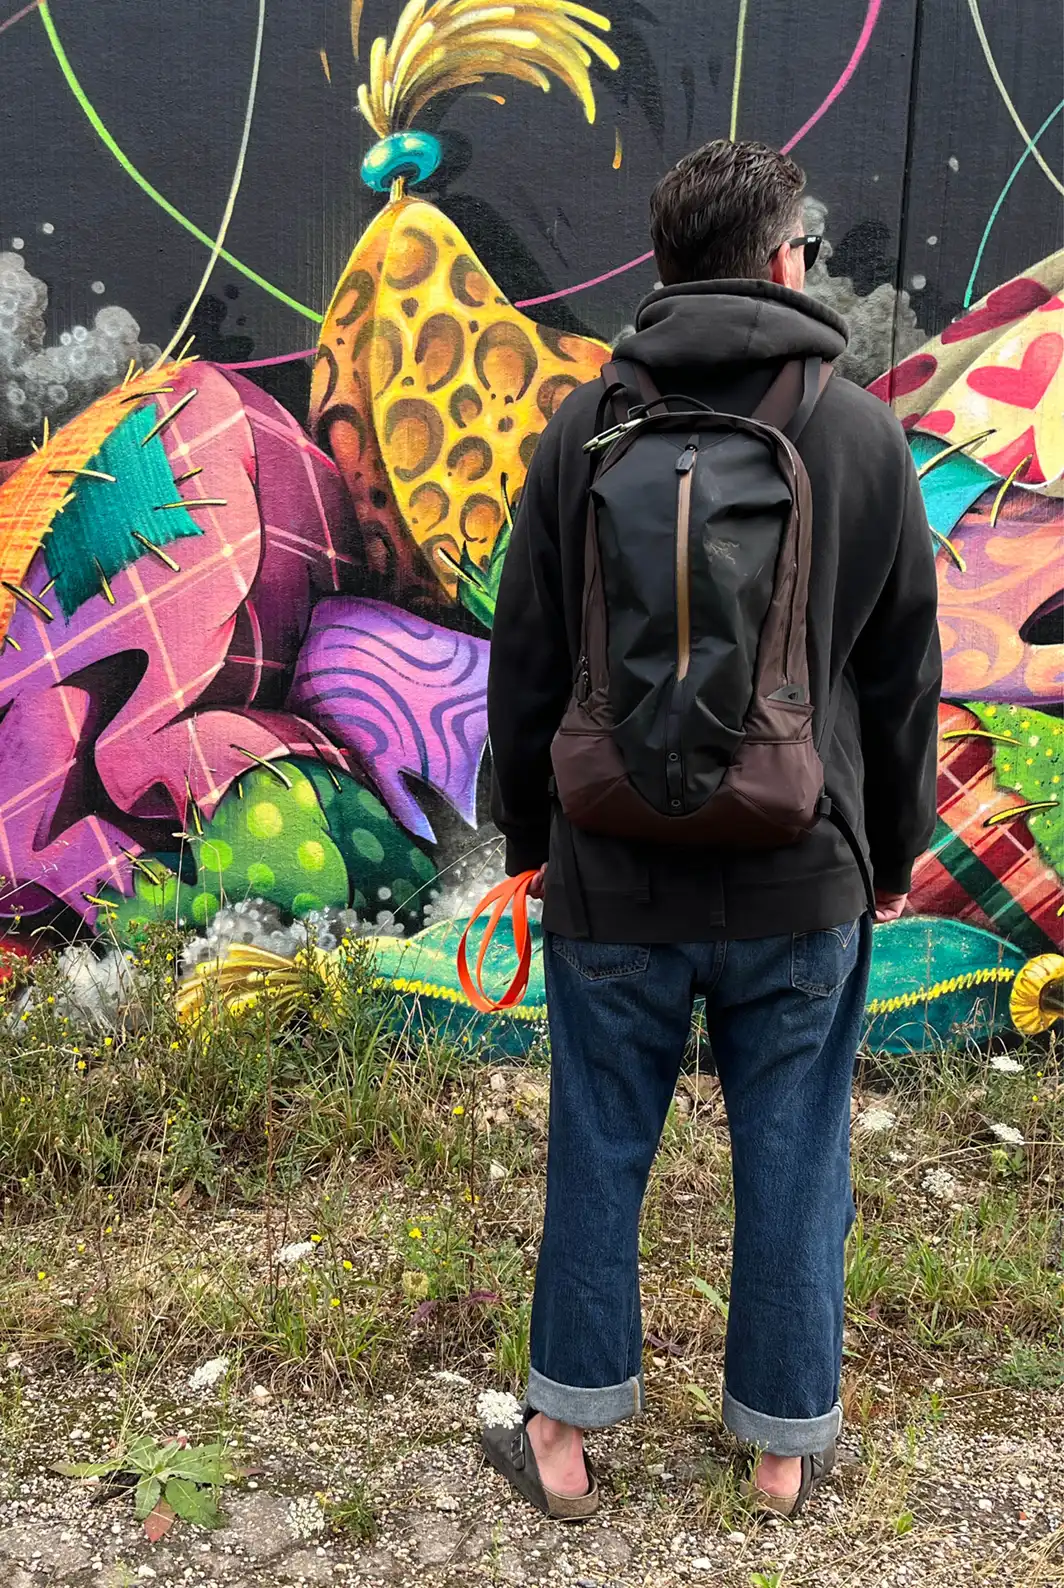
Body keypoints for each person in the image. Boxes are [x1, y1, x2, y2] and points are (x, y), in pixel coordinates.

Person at [483, 138, 941, 1521]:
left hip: (613, 866)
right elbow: (901, 675)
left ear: (664, 265)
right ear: (787, 258)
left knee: (597, 1145)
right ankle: (784, 1451)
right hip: (802, 869)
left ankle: (563, 1437)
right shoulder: (860, 435)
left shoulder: (585, 428)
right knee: (796, 1155)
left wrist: (527, 844)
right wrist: (893, 855)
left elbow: (527, 657)